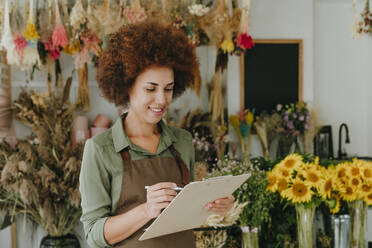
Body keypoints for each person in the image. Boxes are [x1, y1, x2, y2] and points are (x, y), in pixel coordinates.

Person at [79, 21, 234, 248]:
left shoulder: (182, 141)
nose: (162, 100)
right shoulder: (101, 149)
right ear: (127, 86)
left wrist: (214, 204)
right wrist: (147, 210)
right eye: (150, 89)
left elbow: (184, 214)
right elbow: (93, 235)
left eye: (168, 88)